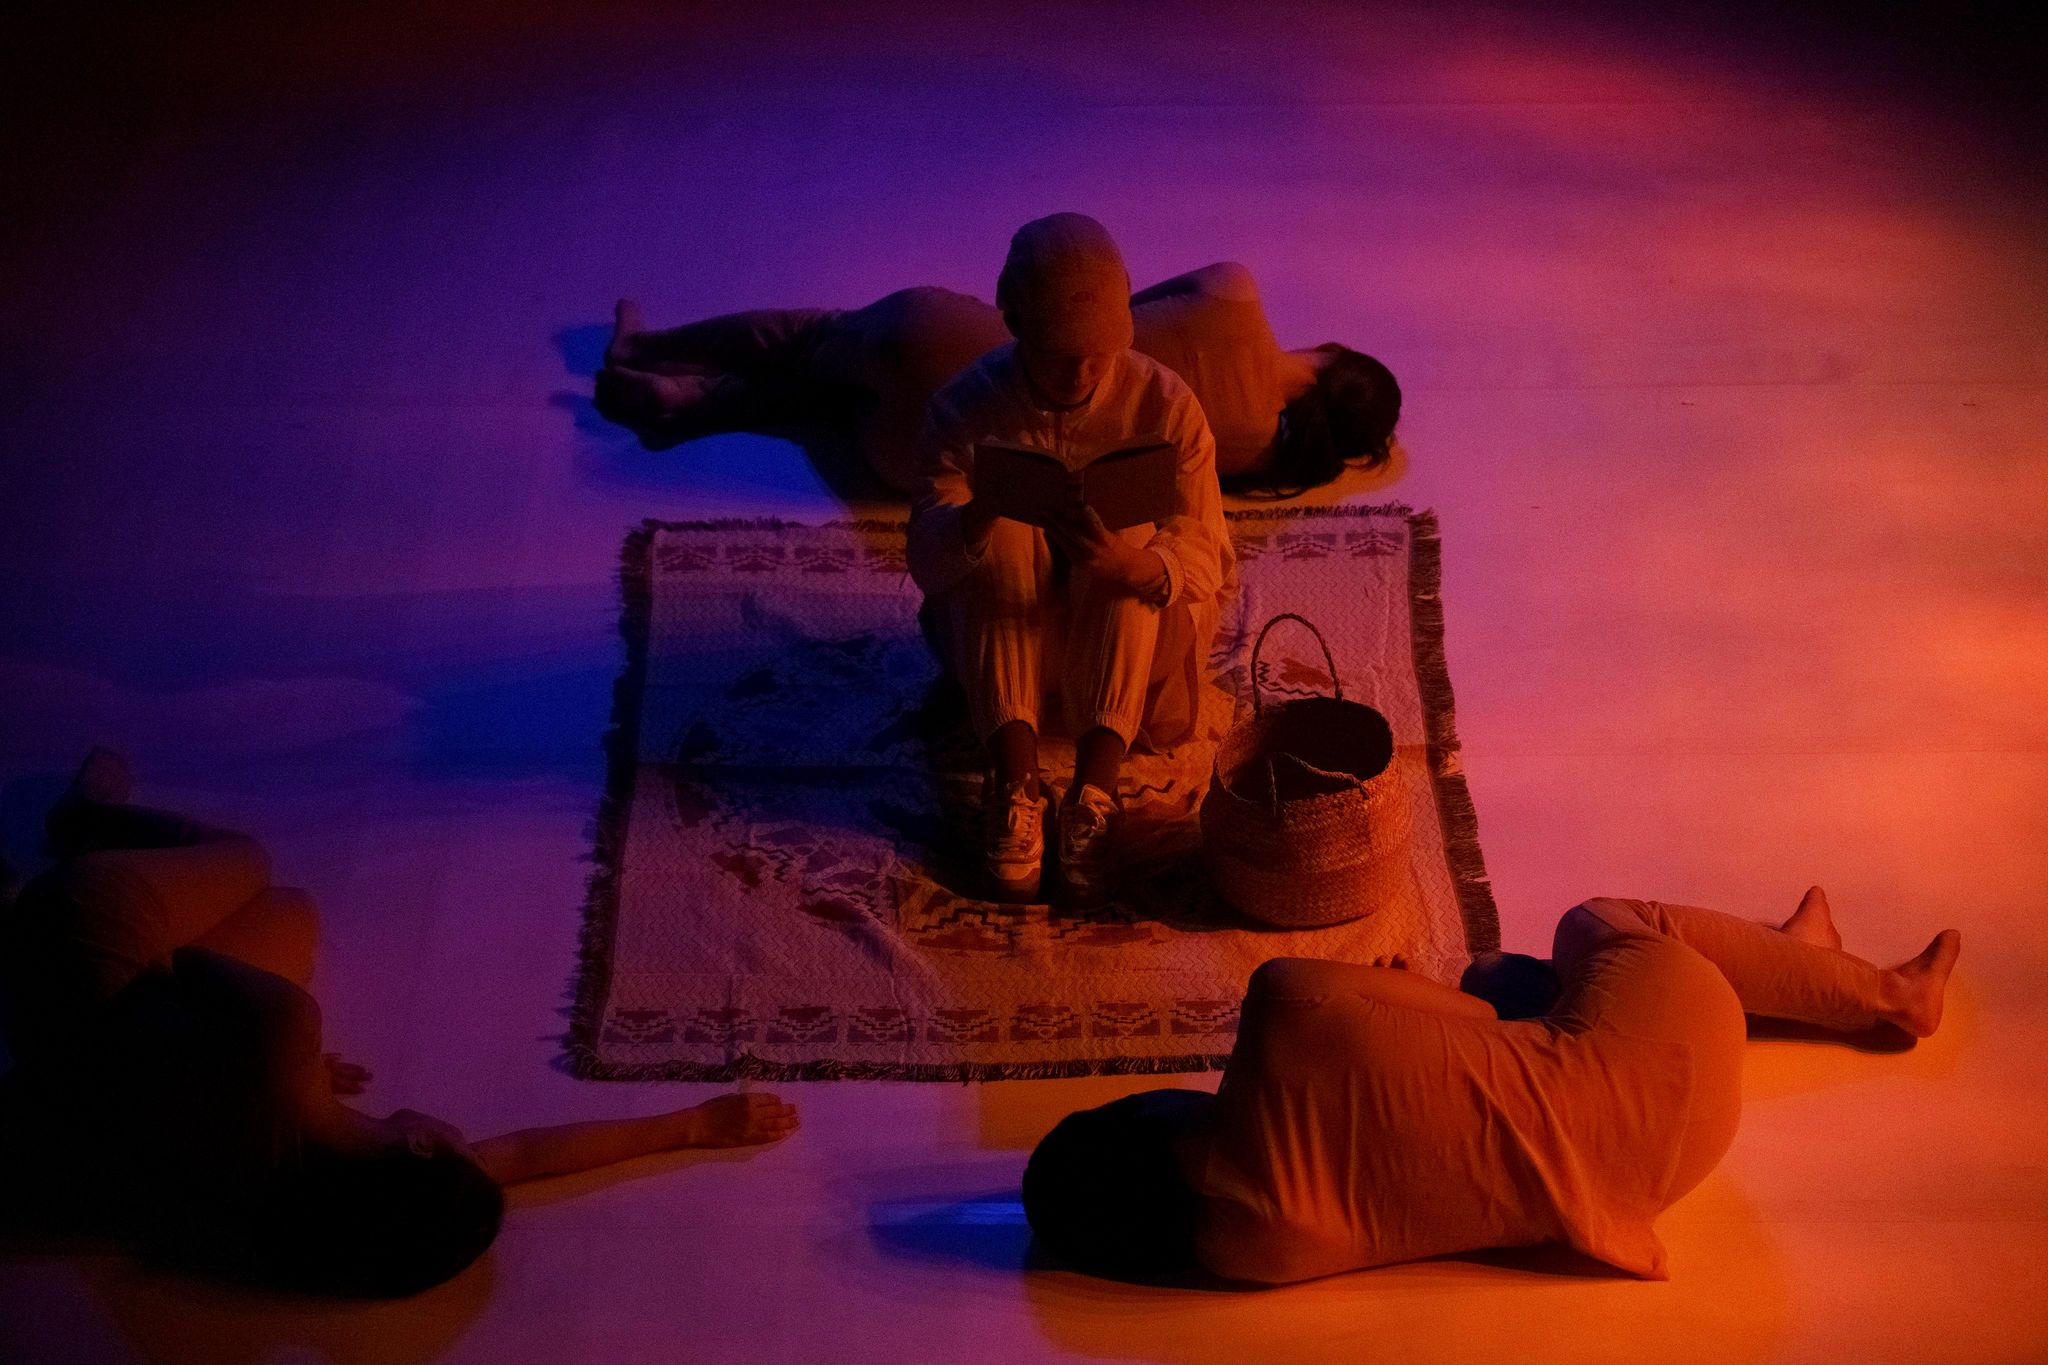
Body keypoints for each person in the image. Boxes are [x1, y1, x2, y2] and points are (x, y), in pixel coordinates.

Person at [0, 749, 799, 1297]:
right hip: (63, 1041)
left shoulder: (285, 1032)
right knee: (292, 915)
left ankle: (84, 821)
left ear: (419, 1146)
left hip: (80, 939)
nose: (465, 1135)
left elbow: (184, 969)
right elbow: (525, 1155)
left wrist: (275, 1057)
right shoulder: (294, 1190)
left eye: (456, 1142)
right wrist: (691, 1125)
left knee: (252, 861)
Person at [1021, 889, 1962, 1284]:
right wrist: (1397, 999)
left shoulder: (1247, 1247)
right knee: (1594, 924)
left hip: (1651, 1179)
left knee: (1533, 987)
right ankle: (1885, 993)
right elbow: (1472, 1013)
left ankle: (1793, 963)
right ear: (1143, 1111)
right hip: (1678, 1055)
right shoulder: (1283, 1005)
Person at [897, 213, 1233, 907]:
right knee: (999, 536)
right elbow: (928, 562)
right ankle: (1016, 782)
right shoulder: (966, 407)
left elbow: (1207, 553)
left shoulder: (1164, 404)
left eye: (1098, 355)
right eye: (1059, 354)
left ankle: (1093, 795)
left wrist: (1126, 564)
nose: (1080, 373)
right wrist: (981, 514)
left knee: (1134, 534)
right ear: (1014, 320)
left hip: (1129, 642)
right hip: (1012, 632)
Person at [595, 264, 1400, 498]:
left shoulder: (1235, 290)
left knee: (818, 337)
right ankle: (691, 402)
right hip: (938, 459)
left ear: (1331, 352)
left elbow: (1102, 315)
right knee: (833, 409)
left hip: (962, 352)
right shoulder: (1247, 452)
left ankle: (652, 348)